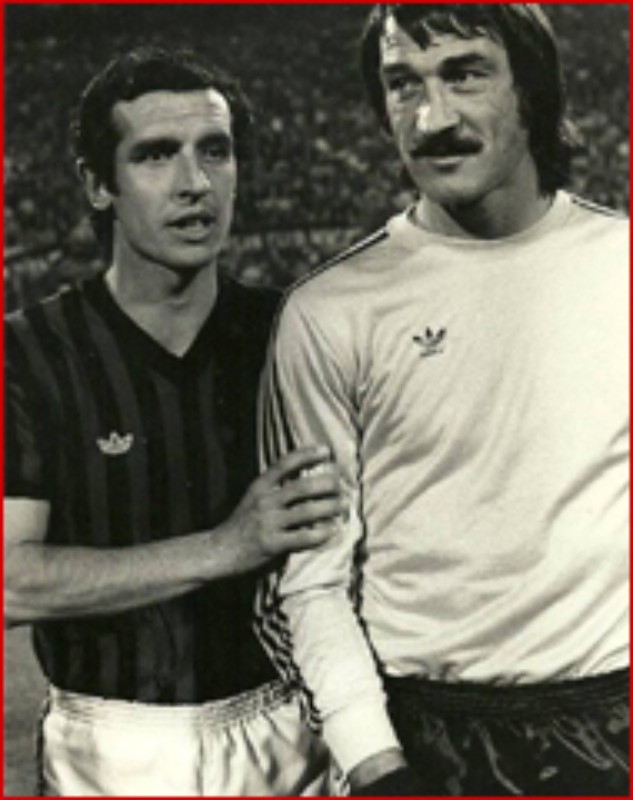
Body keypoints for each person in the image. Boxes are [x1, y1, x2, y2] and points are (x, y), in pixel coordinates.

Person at [256, 4, 629, 796]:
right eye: (403, 84)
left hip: (613, 723)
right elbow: (313, 578)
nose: (431, 118)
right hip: (427, 742)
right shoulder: (327, 312)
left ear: (531, 93)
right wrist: (375, 763)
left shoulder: (618, 265)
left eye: (463, 74)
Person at [4, 46, 346, 797]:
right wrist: (226, 546)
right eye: (156, 155)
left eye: (214, 151)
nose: (195, 183)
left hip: (288, 732)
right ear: (98, 184)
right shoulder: (27, 353)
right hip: (109, 751)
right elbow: (9, 584)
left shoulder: (292, 333)